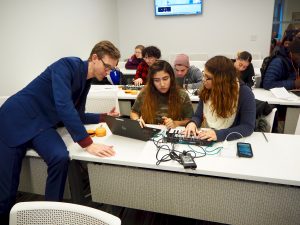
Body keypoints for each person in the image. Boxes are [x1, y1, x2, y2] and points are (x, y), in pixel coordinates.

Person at [0, 40, 120, 222]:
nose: (108, 72)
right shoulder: (65, 65)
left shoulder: (86, 81)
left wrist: (103, 117)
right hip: (15, 118)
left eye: (112, 69)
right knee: (7, 192)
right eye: (107, 66)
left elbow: (77, 114)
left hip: (41, 125)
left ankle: (50, 214)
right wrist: (87, 143)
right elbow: (64, 106)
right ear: (94, 58)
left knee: (60, 157)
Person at [184, 56, 256, 142]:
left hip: (232, 142)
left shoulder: (245, 93)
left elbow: (247, 127)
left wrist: (218, 134)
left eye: (207, 77)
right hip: (209, 136)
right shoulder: (207, 89)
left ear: (221, 80)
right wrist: (193, 123)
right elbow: (198, 116)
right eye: (204, 75)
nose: (203, 80)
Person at [130, 60, 194, 129]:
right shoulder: (145, 92)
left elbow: (190, 119)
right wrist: (137, 120)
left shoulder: (182, 95)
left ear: (171, 78)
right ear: (152, 81)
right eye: (157, 80)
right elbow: (134, 112)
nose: (162, 84)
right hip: (148, 132)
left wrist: (176, 123)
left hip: (170, 132)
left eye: (165, 79)